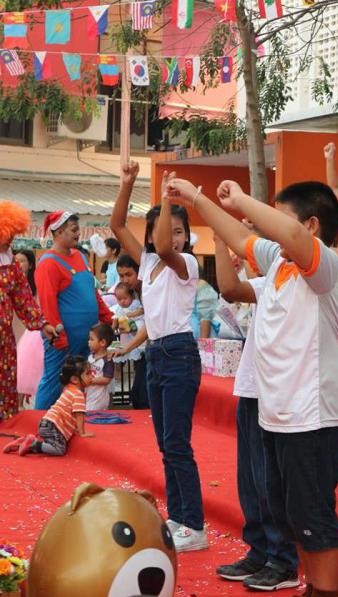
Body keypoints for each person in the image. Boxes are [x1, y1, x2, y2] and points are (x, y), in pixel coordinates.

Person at [167, 175, 338, 597]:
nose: (268, 227)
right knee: (293, 512)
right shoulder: (280, 264)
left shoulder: (326, 267)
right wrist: (198, 198)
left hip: (313, 417)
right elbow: (237, 236)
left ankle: (325, 593)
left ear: (311, 226)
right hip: (278, 413)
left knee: (312, 514)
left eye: (279, 217)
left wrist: (243, 200)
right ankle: (312, 588)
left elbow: (287, 234)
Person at [111, 162, 207, 552]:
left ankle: (195, 526)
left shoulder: (187, 264)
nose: (173, 236)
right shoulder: (148, 263)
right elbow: (118, 225)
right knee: (167, 446)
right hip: (156, 355)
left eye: (181, 231)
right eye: (167, 229)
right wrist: (128, 184)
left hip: (180, 354)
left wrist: (167, 201)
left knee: (178, 444)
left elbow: (166, 247)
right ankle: (179, 517)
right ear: (149, 234)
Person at [213, 236, 300, 592]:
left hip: (278, 389)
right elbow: (230, 288)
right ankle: (259, 549)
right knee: (249, 477)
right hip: (251, 386)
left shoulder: (307, 279)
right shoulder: (270, 280)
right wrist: (219, 239)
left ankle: (283, 559)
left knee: (269, 480)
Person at [34, 210, 113, 410]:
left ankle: (72, 419)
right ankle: (40, 421)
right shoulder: (48, 263)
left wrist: (107, 317)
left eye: (78, 229)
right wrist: (58, 337)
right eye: (74, 229)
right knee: (54, 382)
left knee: (80, 383)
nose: (78, 233)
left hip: (88, 338)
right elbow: (47, 303)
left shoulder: (79, 256)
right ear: (59, 232)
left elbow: (92, 291)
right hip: (63, 339)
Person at [0, 202, 56, 421]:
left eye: (13, 234)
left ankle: (5, 420)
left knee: (5, 377)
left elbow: (23, 298)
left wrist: (42, 324)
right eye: (8, 234)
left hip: (4, 336)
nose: (11, 239)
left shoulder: (10, 262)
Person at [4, 355, 94, 456]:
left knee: (51, 445)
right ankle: (33, 444)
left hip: (46, 422)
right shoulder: (78, 394)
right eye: (88, 373)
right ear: (75, 379)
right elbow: (79, 414)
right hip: (54, 426)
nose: (92, 376)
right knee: (59, 449)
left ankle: (23, 443)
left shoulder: (68, 389)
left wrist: (75, 430)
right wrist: (82, 433)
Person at [115, 254, 148, 410]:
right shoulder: (133, 292)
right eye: (121, 276)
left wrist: (126, 349)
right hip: (142, 349)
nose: (125, 280)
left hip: (153, 347)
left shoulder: (147, 290)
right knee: (138, 395)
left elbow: (148, 326)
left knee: (142, 396)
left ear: (139, 272)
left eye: (129, 274)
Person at [15, 248, 45, 404]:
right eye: (16, 261)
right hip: (14, 325)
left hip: (29, 328)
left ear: (31, 264)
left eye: (22, 261)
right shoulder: (11, 282)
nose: (18, 264)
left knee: (26, 365)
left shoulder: (36, 284)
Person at [85, 323, 115, 411]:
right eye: (89, 339)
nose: (88, 342)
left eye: (91, 339)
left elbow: (107, 379)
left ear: (102, 342)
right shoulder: (90, 356)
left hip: (99, 396)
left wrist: (91, 380)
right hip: (89, 393)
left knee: (92, 413)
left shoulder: (107, 360)